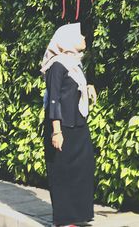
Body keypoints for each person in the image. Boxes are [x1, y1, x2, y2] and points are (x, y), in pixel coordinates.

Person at [40, 23, 97, 227]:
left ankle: (78, 215)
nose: (83, 37)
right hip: (62, 127)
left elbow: (73, 87)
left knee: (83, 168)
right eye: (79, 34)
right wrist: (56, 131)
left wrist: (88, 87)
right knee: (62, 173)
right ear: (67, 39)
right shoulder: (57, 65)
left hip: (78, 125)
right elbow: (54, 98)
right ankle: (64, 220)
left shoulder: (75, 64)